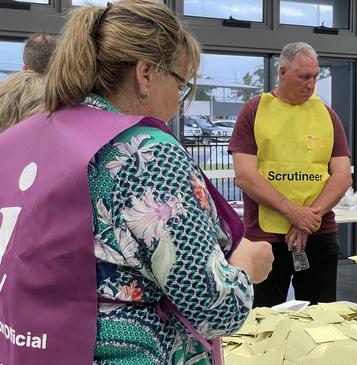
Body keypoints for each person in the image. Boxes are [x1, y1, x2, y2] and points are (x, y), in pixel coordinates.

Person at [0, 1, 273, 364]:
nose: (179, 100)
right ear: (145, 74)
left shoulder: (25, 138)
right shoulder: (145, 154)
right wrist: (246, 267)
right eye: (181, 83)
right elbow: (211, 307)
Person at [229, 41, 352, 308]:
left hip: (319, 234)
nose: (311, 84)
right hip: (265, 237)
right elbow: (245, 176)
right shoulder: (254, 111)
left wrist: (309, 216)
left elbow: (342, 175)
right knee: (264, 318)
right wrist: (291, 211)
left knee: (320, 318)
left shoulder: (327, 115)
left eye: (315, 77)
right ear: (283, 73)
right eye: (304, 77)